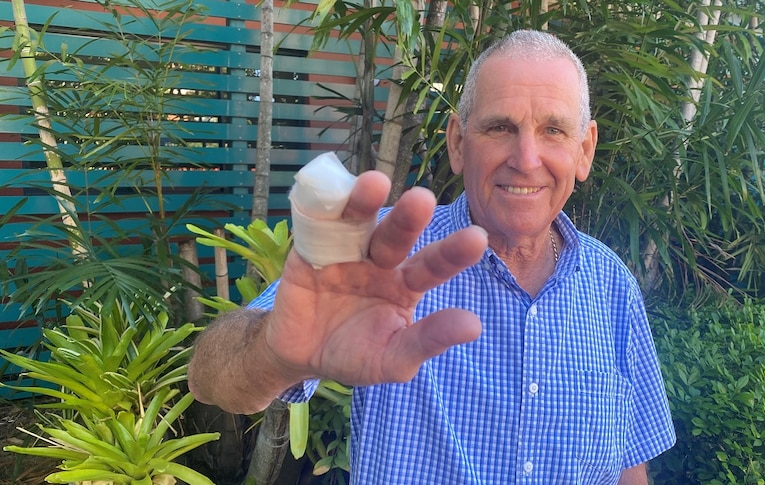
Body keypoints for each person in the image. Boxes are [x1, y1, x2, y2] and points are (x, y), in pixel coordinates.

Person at [189, 29, 676, 484]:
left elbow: (628, 465)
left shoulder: (612, 285)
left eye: (553, 130)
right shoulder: (378, 255)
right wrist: (274, 351)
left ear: (585, 150)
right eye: (500, 128)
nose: (526, 158)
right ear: (458, 143)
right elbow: (207, 376)